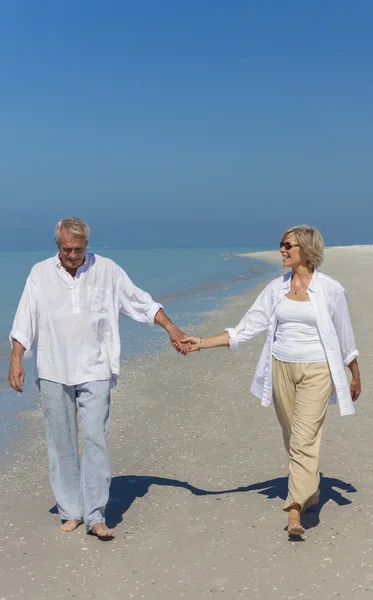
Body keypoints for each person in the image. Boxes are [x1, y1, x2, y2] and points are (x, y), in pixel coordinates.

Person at [8, 217, 188, 538]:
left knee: (95, 440)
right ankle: (71, 510)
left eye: (78, 249)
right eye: (66, 249)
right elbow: (25, 319)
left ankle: (95, 515)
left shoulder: (107, 270)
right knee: (60, 443)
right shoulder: (40, 273)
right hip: (52, 369)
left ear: (87, 246)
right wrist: (16, 359)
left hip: (95, 369)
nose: (72, 255)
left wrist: (171, 328)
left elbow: (139, 301)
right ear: (57, 245)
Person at [180, 225, 361, 536]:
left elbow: (345, 337)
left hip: (317, 371)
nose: (282, 250)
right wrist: (201, 343)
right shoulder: (276, 289)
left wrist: (354, 375)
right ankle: (311, 491)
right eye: (281, 244)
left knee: (304, 439)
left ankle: (294, 511)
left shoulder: (330, 289)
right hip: (281, 368)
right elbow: (247, 328)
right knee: (293, 437)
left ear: (305, 248)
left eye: (287, 245)